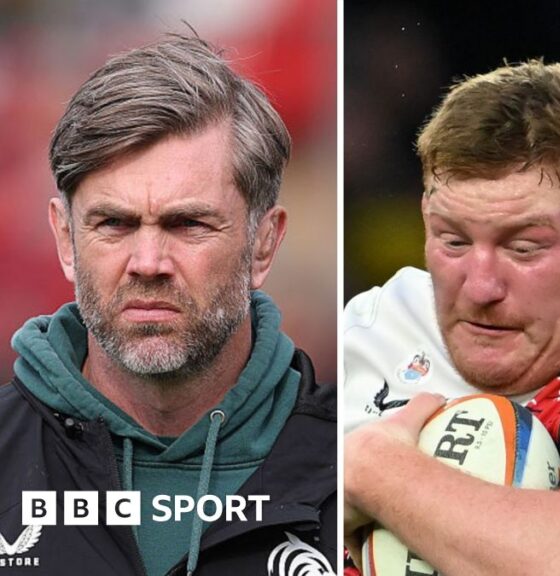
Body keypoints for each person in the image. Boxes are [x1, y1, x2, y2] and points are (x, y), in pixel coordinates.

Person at [0, 34, 336, 575]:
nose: (148, 261)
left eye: (188, 224)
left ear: (263, 243)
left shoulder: (353, 463)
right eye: (115, 223)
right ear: (65, 239)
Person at [343, 60, 560, 574]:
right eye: (452, 240)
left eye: (523, 248)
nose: (479, 288)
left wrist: (374, 470)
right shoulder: (376, 320)